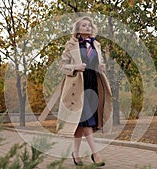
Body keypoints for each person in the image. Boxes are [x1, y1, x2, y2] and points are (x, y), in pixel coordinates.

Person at [57, 16, 113, 166]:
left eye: (89, 25)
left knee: (81, 123)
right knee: (87, 119)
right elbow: (61, 66)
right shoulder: (70, 45)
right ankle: (96, 153)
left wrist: (100, 67)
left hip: (93, 83)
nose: (87, 27)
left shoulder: (96, 45)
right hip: (78, 86)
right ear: (78, 29)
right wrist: (75, 67)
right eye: (84, 25)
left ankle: (75, 153)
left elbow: (96, 63)